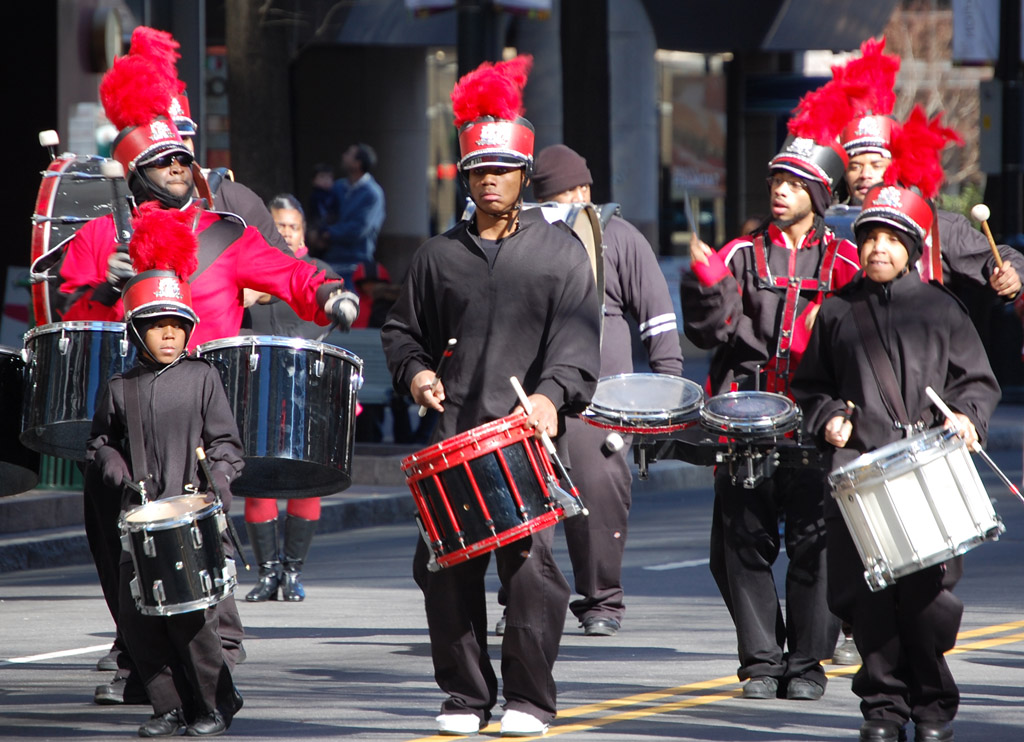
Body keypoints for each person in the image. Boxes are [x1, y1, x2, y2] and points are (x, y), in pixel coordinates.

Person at [68, 26, 359, 706]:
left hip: (201, 404)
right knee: (116, 537)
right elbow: (64, 307)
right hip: (124, 405)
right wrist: (104, 283)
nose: (181, 168)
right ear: (138, 170)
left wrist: (330, 292)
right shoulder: (102, 234)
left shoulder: (223, 234)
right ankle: (137, 653)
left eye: (183, 158)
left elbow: (289, 272)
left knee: (201, 532)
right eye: (166, 160)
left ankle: (213, 655)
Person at [381, 55, 601, 737]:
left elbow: (577, 343)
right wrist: (415, 374)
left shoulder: (562, 253)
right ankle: (465, 697)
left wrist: (550, 397)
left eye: (502, 169)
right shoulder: (437, 255)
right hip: (451, 437)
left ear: (523, 174)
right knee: (443, 571)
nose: (490, 180)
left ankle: (530, 700)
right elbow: (401, 331)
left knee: (532, 575)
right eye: (479, 170)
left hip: (524, 441)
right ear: (466, 176)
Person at [791, 109, 1000, 742]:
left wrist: (968, 418)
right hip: (860, 475)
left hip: (932, 475)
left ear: (910, 249)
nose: (879, 247)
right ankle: (882, 710)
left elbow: (977, 382)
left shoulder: (942, 309)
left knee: (928, 602)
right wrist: (827, 419)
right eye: (871, 236)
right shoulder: (834, 314)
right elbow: (810, 388)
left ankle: (933, 707)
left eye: (892, 238)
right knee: (869, 605)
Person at [681, 121, 861, 702]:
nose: (780, 189)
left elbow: (864, 344)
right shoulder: (738, 254)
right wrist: (708, 285)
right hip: (743, 427)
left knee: (817, 547)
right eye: (777, 178)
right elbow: (708, 335)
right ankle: (761, 662)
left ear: (820, 195)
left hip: (815, 426)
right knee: (736, 547)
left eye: (794, 181)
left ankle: (807, 664)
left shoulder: (847, 263)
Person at [86, 203, 245, 736]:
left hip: (193, 518)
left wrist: (215, 484)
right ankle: (167, 708)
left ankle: (212, 706)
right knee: (140, 620)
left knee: (194, 623)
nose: (170, 334)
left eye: (178, 325)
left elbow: (226, 443)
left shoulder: (203, 378)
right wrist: (111, 464)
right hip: (139, 521)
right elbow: (101, 441)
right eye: (157, 326)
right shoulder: (119, 387)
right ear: (137, 332)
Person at [525, 143, 683, 637]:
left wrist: (667, 395)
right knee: (530, 502)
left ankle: (602, 600)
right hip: (533, 396)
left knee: (600, 496)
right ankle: (526, 597)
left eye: (581, 189)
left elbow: (658, 320)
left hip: (605, 398)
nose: (576, 199)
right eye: (563, 193)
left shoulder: (619, 236)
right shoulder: (524, 238)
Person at [242, 194, 334, 603]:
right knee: (258, 477)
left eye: (292, 227)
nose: (286, 233)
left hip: (306, 390)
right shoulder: (248, 272)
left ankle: (293, 572)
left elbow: (335, 318)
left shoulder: (321, 274)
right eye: (278, 226)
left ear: (303, 231)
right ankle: (266, 574)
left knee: (304, 479)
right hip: (258, 386)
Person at [319, 143, 386, 284]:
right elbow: (326, 213)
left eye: (349, 154)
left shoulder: (372, 194)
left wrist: (328, 233)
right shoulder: (338, 186)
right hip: (331, 258)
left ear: (357, 163)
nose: (344, 156)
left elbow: (359, 229)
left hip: (356, 262)